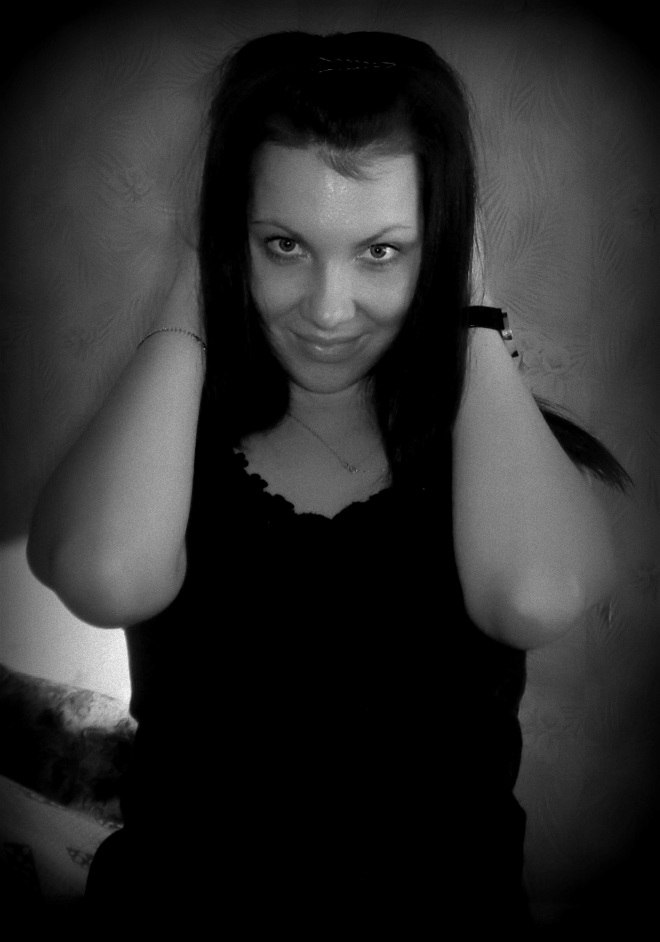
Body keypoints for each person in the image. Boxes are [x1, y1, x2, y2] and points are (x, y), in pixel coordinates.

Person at [27, 30, 630, 932]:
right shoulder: (167, 440)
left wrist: (471, 308)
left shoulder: (493, 450)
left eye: (381, 251)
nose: (328, 309)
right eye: (284, 244)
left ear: (443, 247)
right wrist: (195, 272)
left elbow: (535, 598)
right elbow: (101, 575)